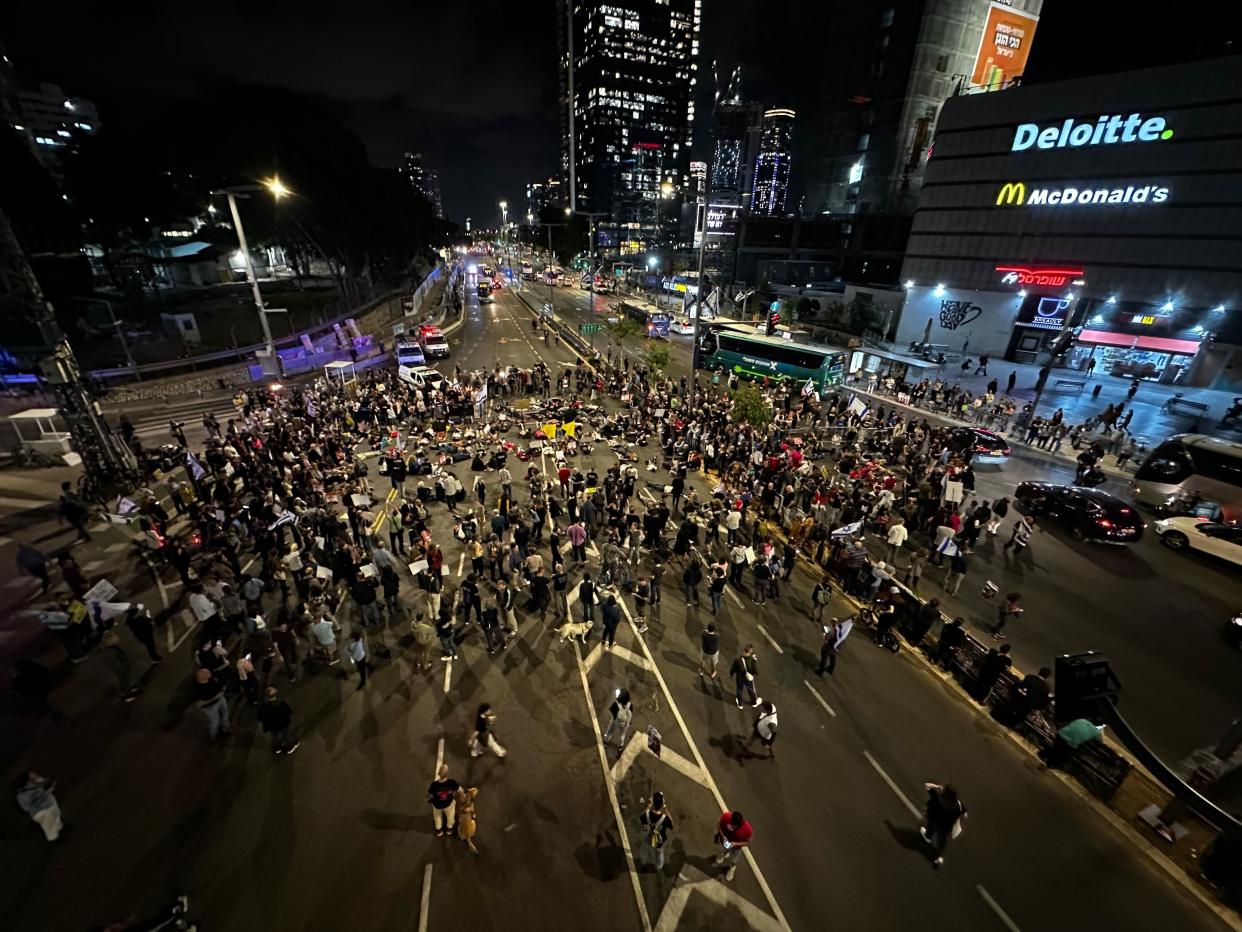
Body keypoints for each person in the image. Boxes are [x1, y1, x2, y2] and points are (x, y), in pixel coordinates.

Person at [921, 783, 966, 866]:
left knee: (931, 826)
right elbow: (962, 809)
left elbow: (926, 785)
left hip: (934, 819)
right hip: (946, 827)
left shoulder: (937, 798)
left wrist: (937, 786)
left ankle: (927, 837)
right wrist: (964, 813)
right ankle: (938, 856)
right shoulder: (957, 805)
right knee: (942, 840)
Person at [13, 771, 64, 842]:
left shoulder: (35, 785)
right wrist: (47, 791)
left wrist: (46, 784)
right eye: (31, 777)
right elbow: (28, 807)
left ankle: (61, 832)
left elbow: (44, 782)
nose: (36, 776)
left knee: (56, 819)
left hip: (49, 805)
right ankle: (56, 842)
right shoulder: (22, 795)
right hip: (43, 811)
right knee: (50, 828)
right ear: (27, 781)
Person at [1041, 718, 1105, 770]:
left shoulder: (1082, 720)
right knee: (1065, 755)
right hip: (1070, 744)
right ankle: (1050, 764)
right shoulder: (1096, 732)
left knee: (1057, 748)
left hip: (1061, 734)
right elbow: (1100, 741)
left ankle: (1045, 755)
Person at [194, 667, 233, 742]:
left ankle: (226, 727)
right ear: (204, 678)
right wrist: (220, 690)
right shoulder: (201, 689)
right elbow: (209, 695)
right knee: (215, 721)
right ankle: (213, 736)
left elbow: (220, 683)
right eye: (208, 674)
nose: (210, 674)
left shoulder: (211, 679)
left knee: (225, 713)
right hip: (210, 706)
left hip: (220, 699)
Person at [638, 791, 674, 872]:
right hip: (659, 842)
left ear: (653, 803)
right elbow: (671, 824)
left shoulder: (647, 814)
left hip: (647, 839)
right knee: (659, 855)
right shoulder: (665, 818)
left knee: (644, 851)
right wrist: (665, 808)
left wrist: (648, 805)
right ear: (662, 804)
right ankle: (658, 867)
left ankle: (643, 864)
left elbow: (641, 817)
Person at [258, 686, 299, 755]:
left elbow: (260, 717)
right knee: (286, 733)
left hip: (271, 725)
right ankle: (289, 747)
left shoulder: (264, 705)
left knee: (274, 735)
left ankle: (276, 748)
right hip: (282, 723)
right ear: (276, 694)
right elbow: (288, 712)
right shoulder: (281, 703)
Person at [713, 810, 753, 882]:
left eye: (734, 825)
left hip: (736, 848)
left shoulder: (747, 830)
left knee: (733, 860)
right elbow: (719, 823)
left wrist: (735, 844)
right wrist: (722, 835)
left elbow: (748, 843)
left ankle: (732, 868)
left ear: (740, 824)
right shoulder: (726, 816)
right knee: (724, 849)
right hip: (725, 841)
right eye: (731, 824)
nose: (732, 826)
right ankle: (724, 855)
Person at [100, 631, 139, 702]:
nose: (118, 638)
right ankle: (127, 695)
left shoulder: (111, 648)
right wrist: (124, 668)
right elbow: (114, 664)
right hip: (122, 669)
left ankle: (129, 689)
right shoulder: (110, 652)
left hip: (123, 667)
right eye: (115, 638)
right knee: (124, 681)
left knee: (126, 679)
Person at [427, 764, 460, 837]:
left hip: (437, 804)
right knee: (450, 816)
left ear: (438, 773)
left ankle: (438, 831)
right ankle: (449, 829)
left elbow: (430, 794)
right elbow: (459, 790)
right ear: (447, 774)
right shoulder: (452, 782)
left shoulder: (434, 785)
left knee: (437, 817)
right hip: (448, 803)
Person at [730, 645, 759, 710]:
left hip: (740, 677)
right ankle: (754, 703)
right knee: (751, 690)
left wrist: (731, 674)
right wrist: (755, 661)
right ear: (751, 652)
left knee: (739, 689)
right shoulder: (752, 660)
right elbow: (756, 672)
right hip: (748, 678)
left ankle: (740, 704)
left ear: (744, 650)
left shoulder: (738, 659)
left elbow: (733, 668)